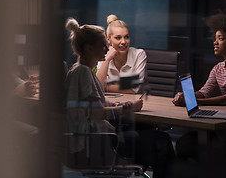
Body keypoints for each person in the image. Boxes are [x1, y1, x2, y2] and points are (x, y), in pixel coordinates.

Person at [64, 18, 174, 178]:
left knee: (148, 136)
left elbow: (94, 103)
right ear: (89, 48)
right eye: (103, 44)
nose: (106, 48)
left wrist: (113, 103)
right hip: (99, 143)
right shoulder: (84, 73)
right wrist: (126, 108)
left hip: (95, 140)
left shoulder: (78, 70)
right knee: (161, 141)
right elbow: (99, 113)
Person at [172, 11, 226, 106]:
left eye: (220, 38)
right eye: (215, 38)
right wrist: (186, 96)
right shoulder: (217, 69)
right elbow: (204, 92)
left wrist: (192, 102)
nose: (215, 42)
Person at [96, 14, 146, 94]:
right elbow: (98, 88)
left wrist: (106, 86)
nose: (123, 42)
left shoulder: (139, 54)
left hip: (133, 103)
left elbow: (134, 89)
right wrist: (107, 59)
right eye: (118, 38)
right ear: (108, 39)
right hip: (112, 103)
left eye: (126, 37)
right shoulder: (104, 57)